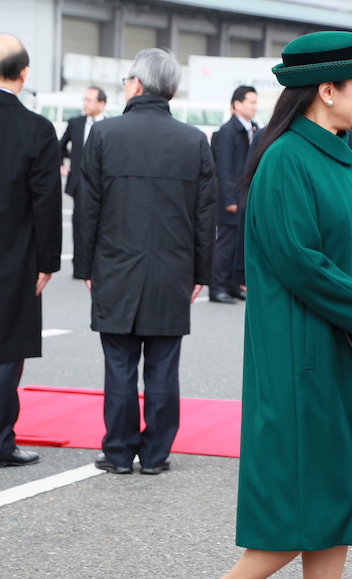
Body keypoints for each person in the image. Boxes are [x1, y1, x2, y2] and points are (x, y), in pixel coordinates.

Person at [175, 31, 352, 579]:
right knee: (307, 495)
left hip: (343, 348)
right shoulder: (284, 161)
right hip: (303, 355)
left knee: (338, 497)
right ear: (325, 90)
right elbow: (303, 265)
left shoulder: (346, 154)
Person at [76, 48, 215, 475]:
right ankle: (155, 454)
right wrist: (201, 272)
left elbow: (88, 208)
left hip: (115, 266)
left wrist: (85, 267)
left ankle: (118, 452)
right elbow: (204, 215)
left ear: (136, 84)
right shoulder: (193, 140)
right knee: (162, 367)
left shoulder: (104, 135)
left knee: (118, 364)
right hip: (171, 269)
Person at [0, 34, 61, 469]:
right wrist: (48, 261)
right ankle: (2, 441)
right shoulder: (37, 128)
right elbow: (46, 201)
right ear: (24, 73)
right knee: (6, 350)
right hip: (14, 255)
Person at [210, 85, 258, 303]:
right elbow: (224, 168)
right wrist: (229, 199)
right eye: (251, 102)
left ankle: (232, 285)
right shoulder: (228, 131)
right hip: (231, 198)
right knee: (226, 244)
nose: (255, 106)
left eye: (256, 102)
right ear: (236, 104)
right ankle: (217, 287)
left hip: (244, 196)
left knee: (239, 244)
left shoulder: (252, 129)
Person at [59, 86, 107, 278]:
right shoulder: (75, 123)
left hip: (102, 184)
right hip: (79, 182)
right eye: (84, 99)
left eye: (89, 100)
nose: (85, 103)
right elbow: (60, 147)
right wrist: (60, 165)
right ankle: (80, 266)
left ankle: (98, 264)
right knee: (79, 223)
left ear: (101, 104)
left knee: (102, 223)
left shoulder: (110, 126)